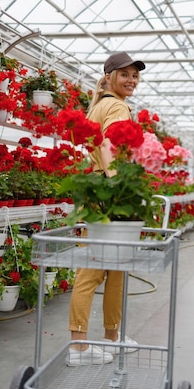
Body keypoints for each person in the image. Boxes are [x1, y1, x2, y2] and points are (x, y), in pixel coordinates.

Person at [66, 52, 146, 367]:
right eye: (125, 74)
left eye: (135, 76)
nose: (131, 80)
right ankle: (78, 347)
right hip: (105, 196)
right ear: (110, 76)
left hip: (97, 193)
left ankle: (112, 337)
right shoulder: (116, 106)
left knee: (116, 270)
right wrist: (115, 181)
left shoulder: (99, 105)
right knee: (92, 271)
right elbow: (110, 143)